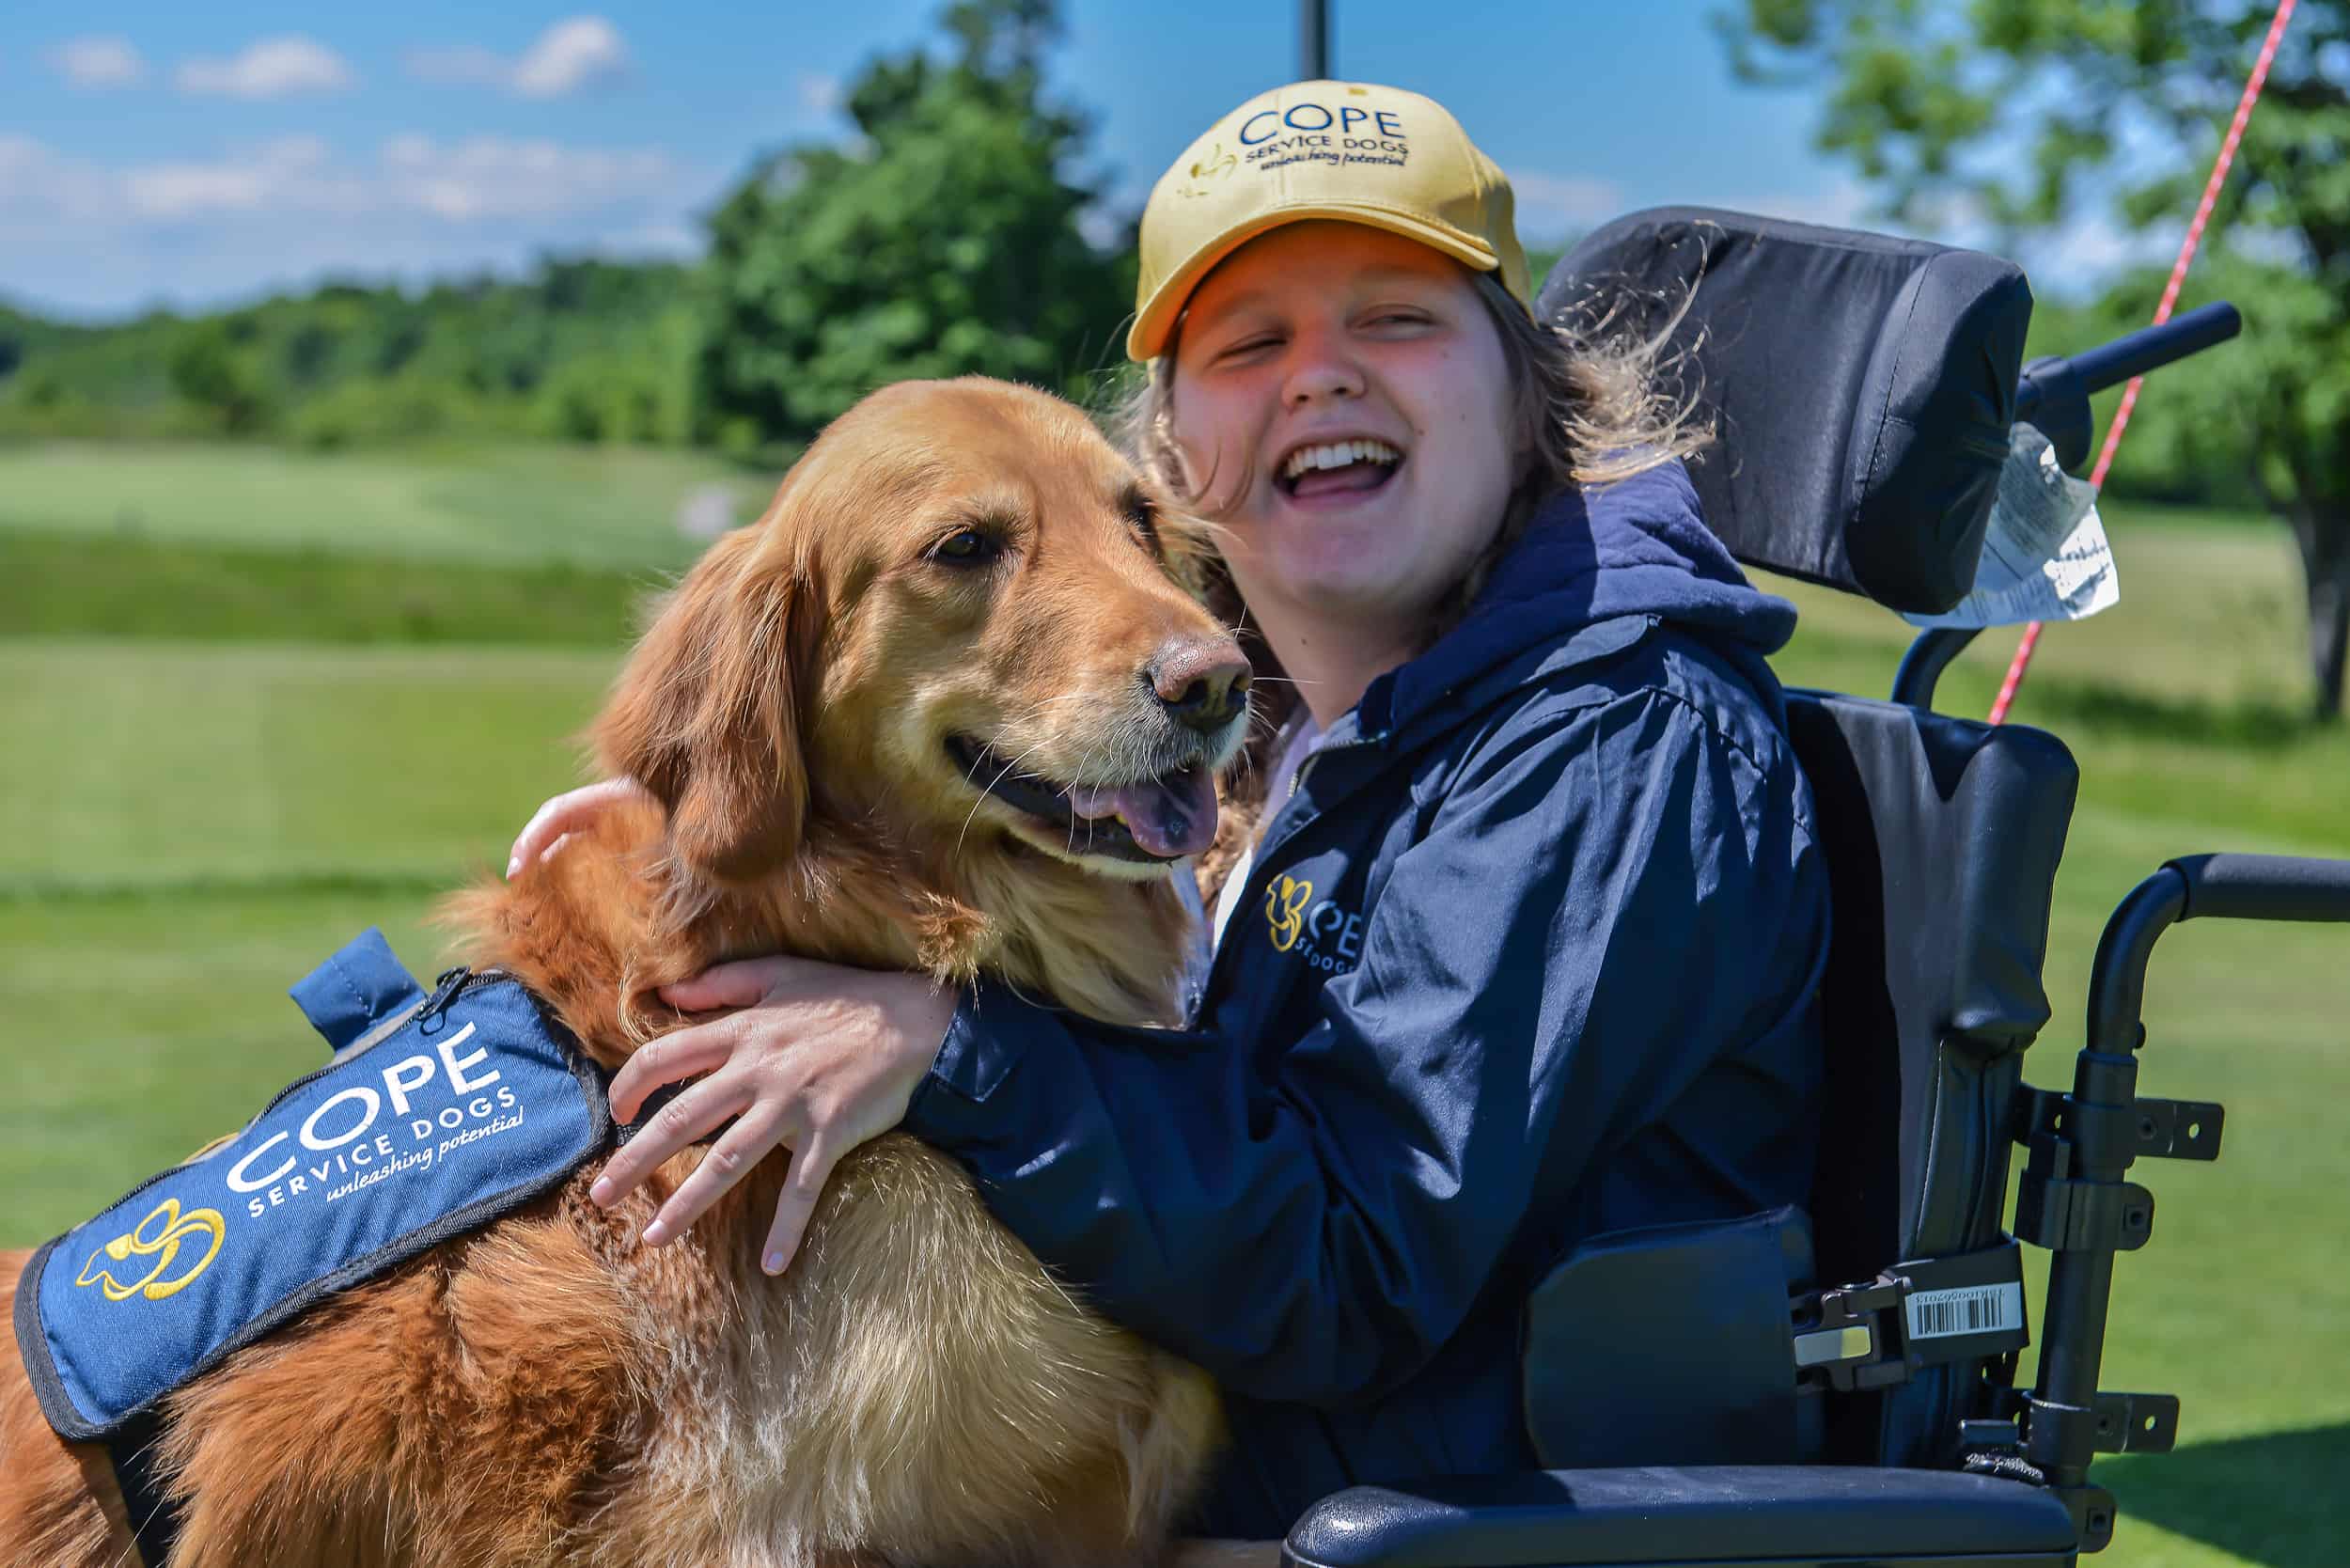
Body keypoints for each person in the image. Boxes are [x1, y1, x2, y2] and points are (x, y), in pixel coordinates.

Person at [509, 80, 1829, 1544]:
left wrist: (950, 1051)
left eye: (1397, 317)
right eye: (1250, 343)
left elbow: (1350, 1261)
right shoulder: (1271, 732)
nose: (1318, 377)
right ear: (1182, 447)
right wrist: (748, 784)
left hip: (1405, 1518)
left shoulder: (1612, 740)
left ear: (1529, 386)